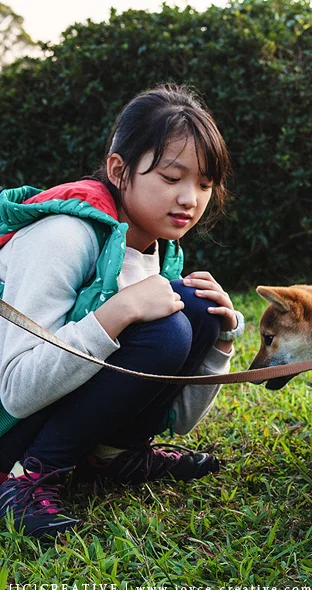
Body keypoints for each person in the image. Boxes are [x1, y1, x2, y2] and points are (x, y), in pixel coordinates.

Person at [0, 84, 242, 539]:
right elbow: (14, 390)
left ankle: (115, 456)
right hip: (5, 425)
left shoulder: (159, 250)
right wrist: (115, 314)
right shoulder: (64, 237)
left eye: (205, 184)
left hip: (40, 412)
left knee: (197, 310)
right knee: (165, 329)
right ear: (119, 170)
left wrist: (221, 340)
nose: (190, 198)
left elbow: (181, 420)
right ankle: (24, 481)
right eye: (172, 178)